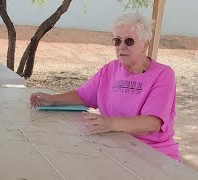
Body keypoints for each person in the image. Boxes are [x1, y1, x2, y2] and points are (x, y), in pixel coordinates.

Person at [30, 13, 180, 161]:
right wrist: (52, 99)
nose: (121, 47)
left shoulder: (163, 74)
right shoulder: (110, 69)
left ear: (145, 45)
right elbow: (83, 95)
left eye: (129, 41)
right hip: (116, 147)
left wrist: (109, 123)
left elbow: (152, 123)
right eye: (117, 41)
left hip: (153, 155)